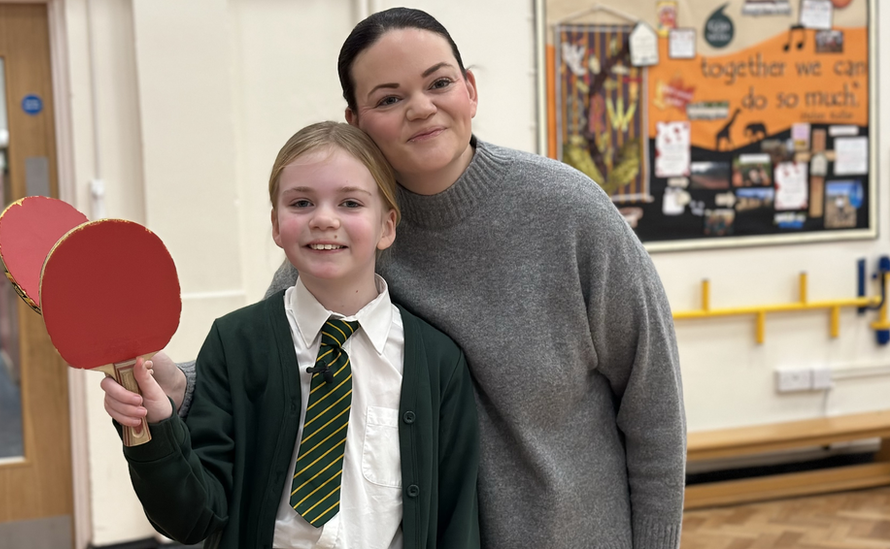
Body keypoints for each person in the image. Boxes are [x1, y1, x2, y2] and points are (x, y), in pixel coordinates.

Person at [106, 7, 686, 548]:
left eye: (439, 83)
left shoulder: (570, 211)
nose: (421, 107)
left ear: (470, 91)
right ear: (356, 122)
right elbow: (275, 356)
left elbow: (653, 404)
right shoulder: (348, 234)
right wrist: (183, 386)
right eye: (389, 97)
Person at [106, 121, 480, 549]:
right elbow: (193, 518)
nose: (323, 219)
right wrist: (156, 428)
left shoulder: (437, 362)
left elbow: (457, 520)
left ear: (387, 226)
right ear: (276, 224)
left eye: (350, 203)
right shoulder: (235, 343)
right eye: (301, 202)